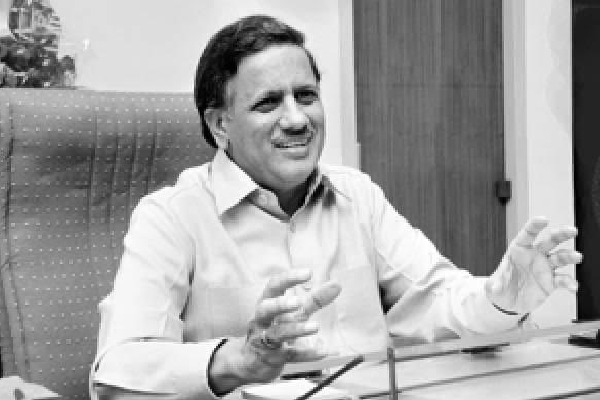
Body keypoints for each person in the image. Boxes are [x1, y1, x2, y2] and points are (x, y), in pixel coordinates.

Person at [90, 14, 582, 400]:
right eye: (268, 103)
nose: (297, 119)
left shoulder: (356, 195)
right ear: (220, 125)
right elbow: (115, 373)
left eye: (306, 96)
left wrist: (502, 297)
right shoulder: (171, 216)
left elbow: (436, 298)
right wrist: (238, 359)